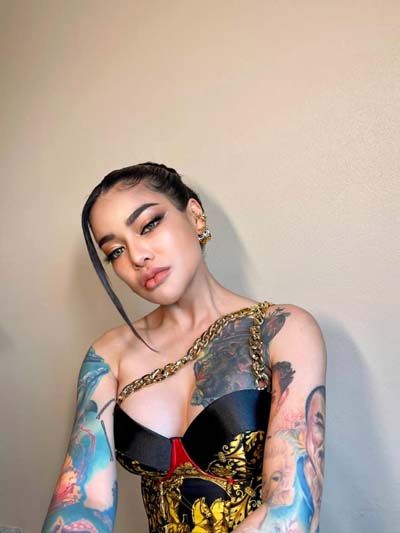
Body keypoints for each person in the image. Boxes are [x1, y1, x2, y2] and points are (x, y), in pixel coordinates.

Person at [42, 162, 327, 532]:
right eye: (115, 251)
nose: (137, 257)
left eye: (149, 225)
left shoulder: (281, 329)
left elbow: (291, 509)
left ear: (194, 216)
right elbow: (82, 500)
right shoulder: (108, 356)